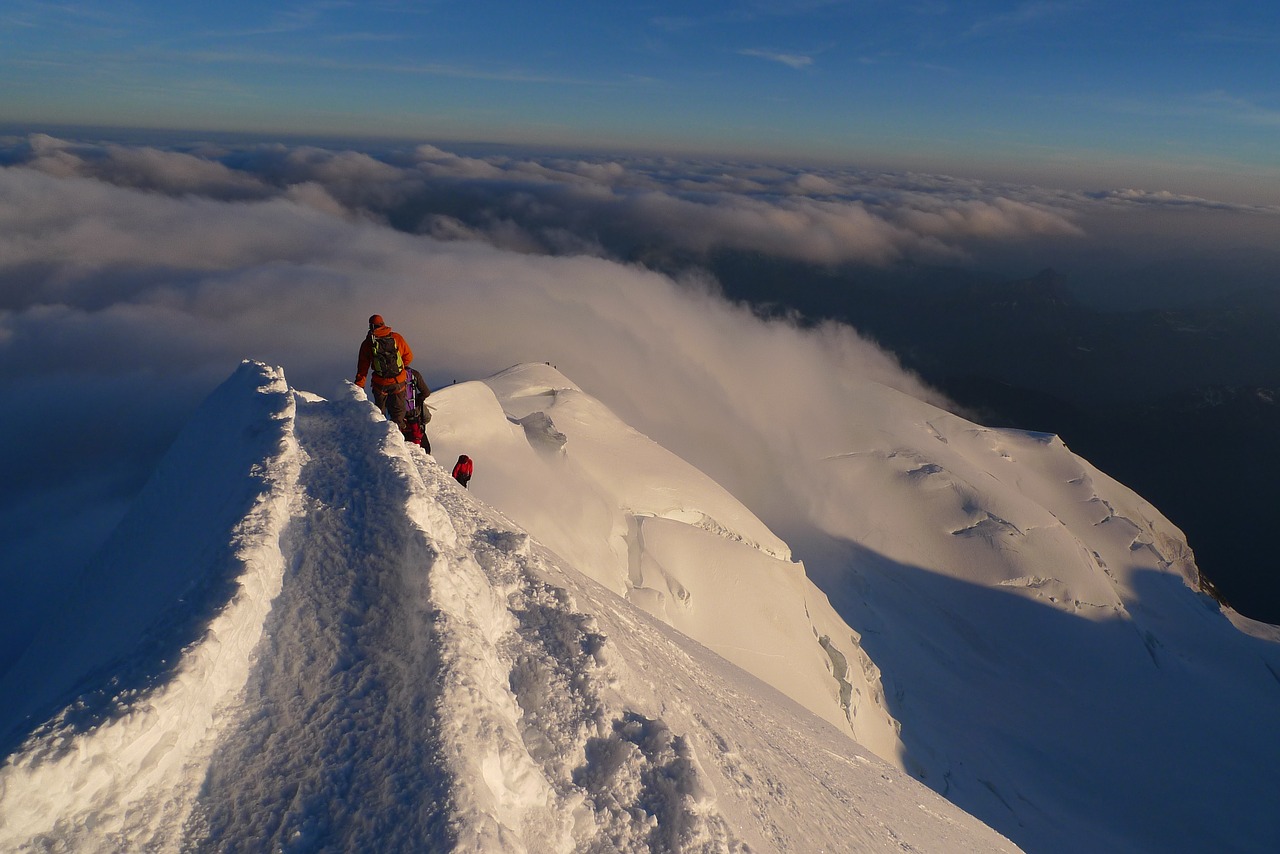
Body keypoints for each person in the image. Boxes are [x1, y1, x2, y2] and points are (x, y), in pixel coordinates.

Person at [354, 314, 415, 434]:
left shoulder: (368, 344)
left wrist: (358, 386)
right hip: (398, 382)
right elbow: (409, 356)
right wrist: (399, 368)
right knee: (398, 413)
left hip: (380, 383)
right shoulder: (396, 337)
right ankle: (397, 437)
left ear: (370, 326)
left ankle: (380, 435)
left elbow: (362, 368)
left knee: (379, 413)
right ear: (383, 324)